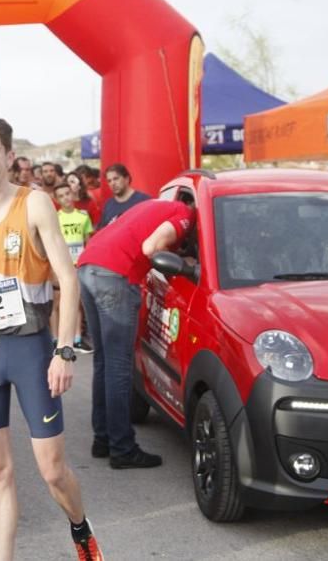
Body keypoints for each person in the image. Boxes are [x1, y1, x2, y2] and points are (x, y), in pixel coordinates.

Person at [0, 117, 103, 561]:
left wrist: (64, 350)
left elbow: (67, 281)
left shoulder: (35, 204)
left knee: (51, 471)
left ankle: (80, 527)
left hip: (30, 351)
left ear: (9, 156)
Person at [77, 195, 194, 469]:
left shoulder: (154, 204)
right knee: (119, 367)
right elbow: (151, 246)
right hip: (115, 276)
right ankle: (123, 449)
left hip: (88, 267)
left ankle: (103, 439)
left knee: (103, 361)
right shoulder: (184, 215)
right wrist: (182, 258)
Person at [54, 183, 94, 355]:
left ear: (73, 194)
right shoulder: (55, 218)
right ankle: (55, 339)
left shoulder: (83, 217)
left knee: (76, 303)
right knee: (56, 303)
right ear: (57, 199)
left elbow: (88, 241)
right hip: (60, 266)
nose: (66, 198)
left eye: (67, 193)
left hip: (78, 265)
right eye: (61, 196)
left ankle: (77, 339)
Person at [97, 163, 150, 230]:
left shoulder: (143, 200)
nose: (112, 183)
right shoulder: (108, 205)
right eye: (109, 181)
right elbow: (102, 231)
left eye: (116, 179)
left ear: (126, 179)